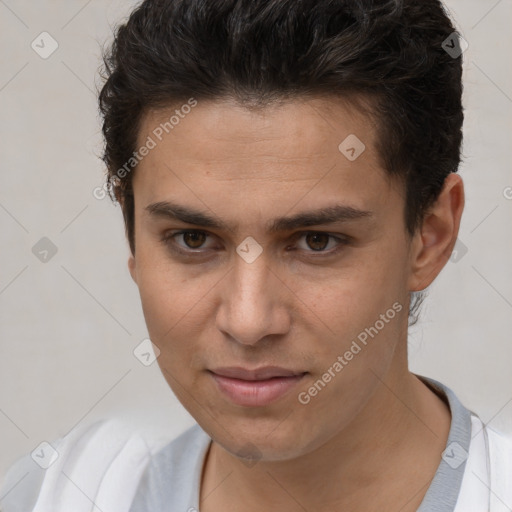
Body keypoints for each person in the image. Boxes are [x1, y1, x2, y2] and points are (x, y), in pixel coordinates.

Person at [1, 0, 511, 510]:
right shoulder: (56, 495)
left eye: (317, 241)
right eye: (193, 239)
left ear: (432, 234)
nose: (248, 322)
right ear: (133, 234)